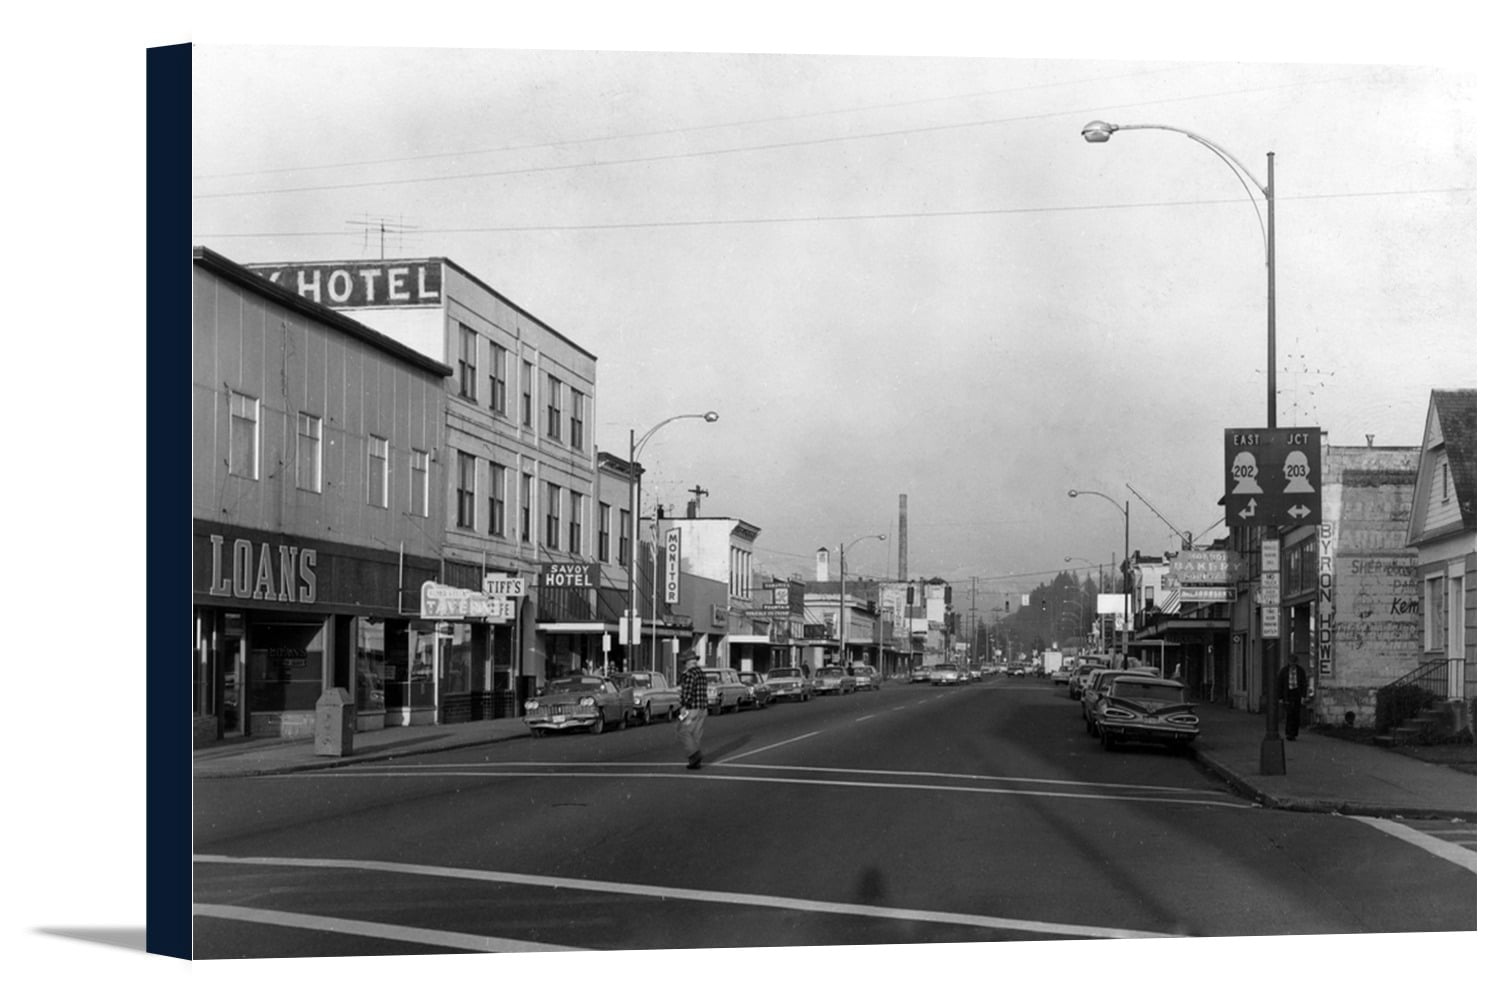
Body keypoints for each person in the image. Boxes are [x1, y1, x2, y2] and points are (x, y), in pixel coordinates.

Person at [676, 649, 708, 769]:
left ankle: (694, 754)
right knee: (696, 734)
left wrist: (683, 706)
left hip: (692, 709)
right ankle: (695, 761)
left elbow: (688, 693)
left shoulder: (689, 674)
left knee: (682, 731)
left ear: (688, 662)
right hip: (703, 708)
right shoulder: (701, 673)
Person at [1276, 653, 1310, 740]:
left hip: (1296, 693)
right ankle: (1289, 733)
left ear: (1296, 662)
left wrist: (1303, 696)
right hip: (1288, 693)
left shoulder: (1300, 671)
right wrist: (1280, 697)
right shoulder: (1284, 671)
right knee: (1289, 713)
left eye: (1294, 663)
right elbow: (1280, 684)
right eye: (1291, 662)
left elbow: (1303, 684)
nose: (1292, 664)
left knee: (1296, 714)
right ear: (1289, 662)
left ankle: (1294, 733)